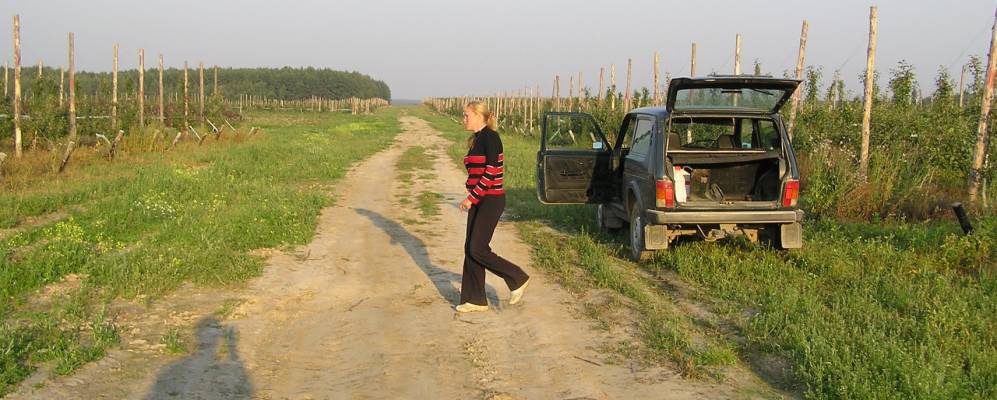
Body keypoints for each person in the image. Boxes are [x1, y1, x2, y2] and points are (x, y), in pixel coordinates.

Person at [455, 101, 530, 313]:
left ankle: (517, 278)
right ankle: (474, 299)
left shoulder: (491, 138)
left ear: (479, 116)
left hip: (491, 200)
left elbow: (490, 172)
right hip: (480, 198)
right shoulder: (477, 139)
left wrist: (472, 197)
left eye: (466, 115)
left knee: (478, 248)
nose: (464, 119)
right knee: (470, 247)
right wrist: (473, 195)